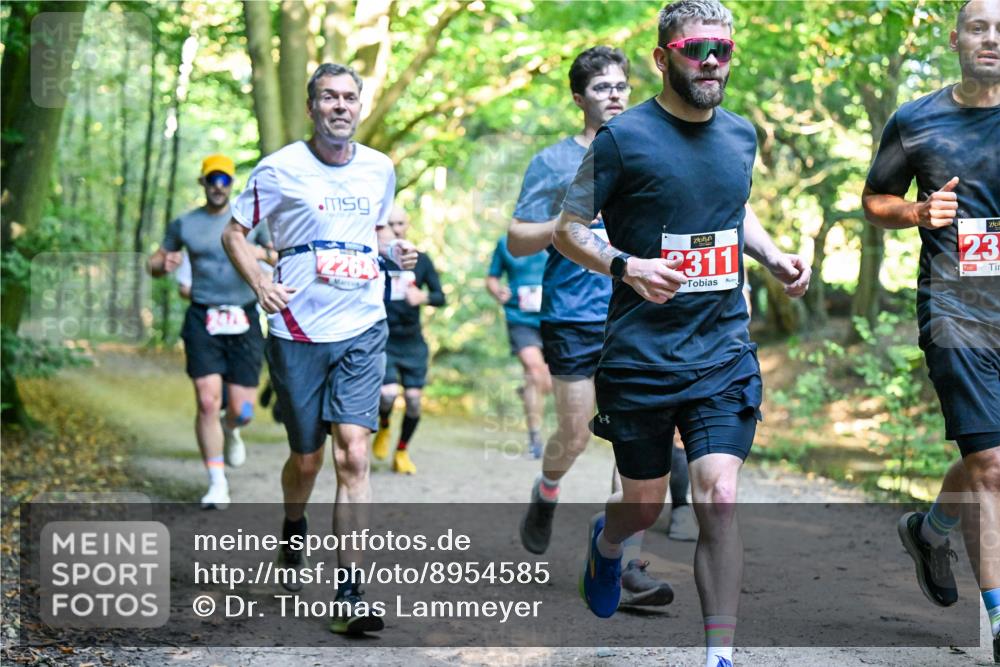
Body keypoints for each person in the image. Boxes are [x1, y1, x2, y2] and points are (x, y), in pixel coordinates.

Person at [555, 3, 810, 666]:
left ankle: (717, 655)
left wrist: (773, 255)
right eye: (696, 49)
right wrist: (626, 264)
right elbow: (569, 227)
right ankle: (607, 545)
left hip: (722, 348)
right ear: (663, 57)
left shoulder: (741, 136)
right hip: (641, 354)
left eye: (722, 50)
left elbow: (733, 208)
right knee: (639, 507)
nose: (711, 62)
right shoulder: (623, 138)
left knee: (719, 495)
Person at [221, 63, 418, 636]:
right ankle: (292, 522)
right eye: (328, 97)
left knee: (354, 454)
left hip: (363, 323)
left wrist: (394, 251)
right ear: (312, 108)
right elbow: (236, 233)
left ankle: (349, 592)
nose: (340, 106)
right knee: (307, 458)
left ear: (359, 106)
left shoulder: (380, 169)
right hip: (298, 332)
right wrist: (260, 282)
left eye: (349, 98)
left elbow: (379, 231)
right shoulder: (279, 170)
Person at [508, 45, 675, 608]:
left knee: (636, 442)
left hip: (636, 312)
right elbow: (515, 238)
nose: (615, 96)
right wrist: (566, 222)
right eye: (602, 88)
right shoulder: (553, 163)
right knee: (576, 433)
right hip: (572, 316)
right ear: (579, 98)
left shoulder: (649, 149)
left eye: (621, 87)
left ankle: (625, 562)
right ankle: (548, 487)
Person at [862, 0, 1000, 661]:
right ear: (956, 38)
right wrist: (916, 209)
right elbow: (875, 201)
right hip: (956, 310)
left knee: (986, 457)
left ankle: (930, 527)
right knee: (994, 464)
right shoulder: (915, 119)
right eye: (979, 27)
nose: (992, 38)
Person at [148, 154, 275, 510]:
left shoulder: (253, 221)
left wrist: (257, 252)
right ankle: (216, 481)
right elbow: (155, 263)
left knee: (243, 409)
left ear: (232, 183)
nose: (218, 186)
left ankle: (232, 428)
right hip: (204, 317)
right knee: (207, 401)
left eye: (225, 180)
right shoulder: (185, 224)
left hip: (245, 319)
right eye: (212, 179)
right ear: (203, 183)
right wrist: (162, 264)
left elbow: (278, 256)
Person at [372, 205, 445, 475]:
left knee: (414, 401)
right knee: (388, 395)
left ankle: (401, 450)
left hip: (412, 342)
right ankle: (384, 425)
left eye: (401, 223)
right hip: (384, 338)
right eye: (391, 223)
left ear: (408, 225)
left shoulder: (420, 260)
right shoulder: (375, 258)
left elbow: (440, 296)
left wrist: (424, 297)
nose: (396, 228)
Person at [486, 234, 550, 458]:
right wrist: (498, 292)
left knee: (547, 382)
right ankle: (535, 438)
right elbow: (491, 278)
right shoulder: (506, 243)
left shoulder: (558, 237)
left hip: (554, 316)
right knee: (534, 370)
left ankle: (528, 391)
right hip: (519, 317)